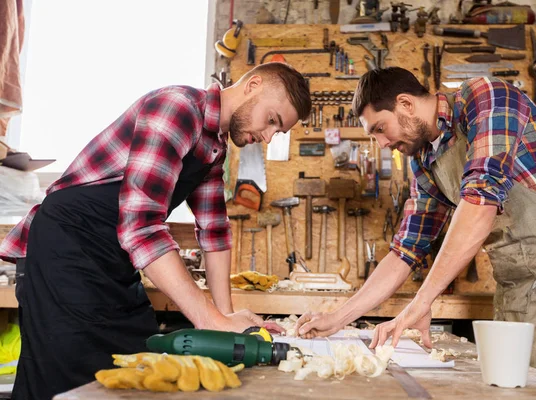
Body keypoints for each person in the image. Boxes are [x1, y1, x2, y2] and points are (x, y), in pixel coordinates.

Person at [0, 62, 311, 399]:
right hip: (66, 252)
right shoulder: (176, 109)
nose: (266, 137)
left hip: (113, 261)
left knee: (137, 372)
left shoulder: (214, 145)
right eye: (271, 121)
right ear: (253, 85)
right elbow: (141, 226)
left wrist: (224, 316)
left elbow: (214, 231)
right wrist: (209, 320)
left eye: (276, 132)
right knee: (68, 382)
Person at [295, 67, 536, 386]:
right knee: (513, 385)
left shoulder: (485, 97)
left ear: (406, 104)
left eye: (381, 128)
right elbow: (405, 251)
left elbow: (480, 202)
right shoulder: (423, 160)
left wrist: (422, 301)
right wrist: (337, 318)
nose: (383, 143)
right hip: (517, 283)